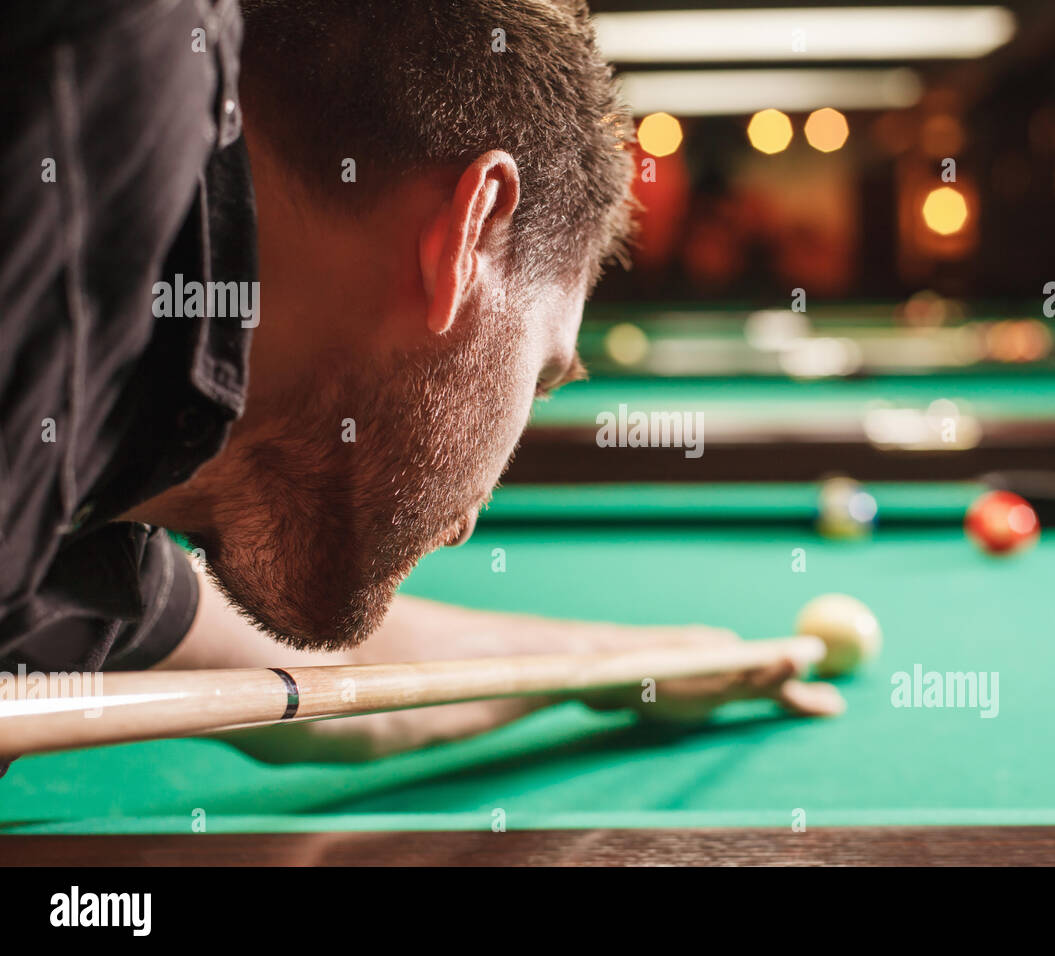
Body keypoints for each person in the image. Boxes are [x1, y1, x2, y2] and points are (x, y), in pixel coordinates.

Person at [0, 0, 844, 767]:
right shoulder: (102, 61)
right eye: (541, 374)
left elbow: (336, 682)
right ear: (468, 238)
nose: (468, 522)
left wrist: (622, 666)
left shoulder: (110, 491)